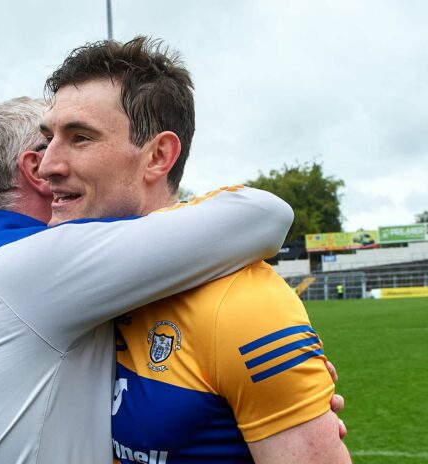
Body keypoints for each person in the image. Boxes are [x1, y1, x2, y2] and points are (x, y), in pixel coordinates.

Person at [38, 37, 350, 463]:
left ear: (157, 156)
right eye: (48, 138)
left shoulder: (243, 306)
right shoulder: (65, 285)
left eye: (80, 138)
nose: (46, 165)